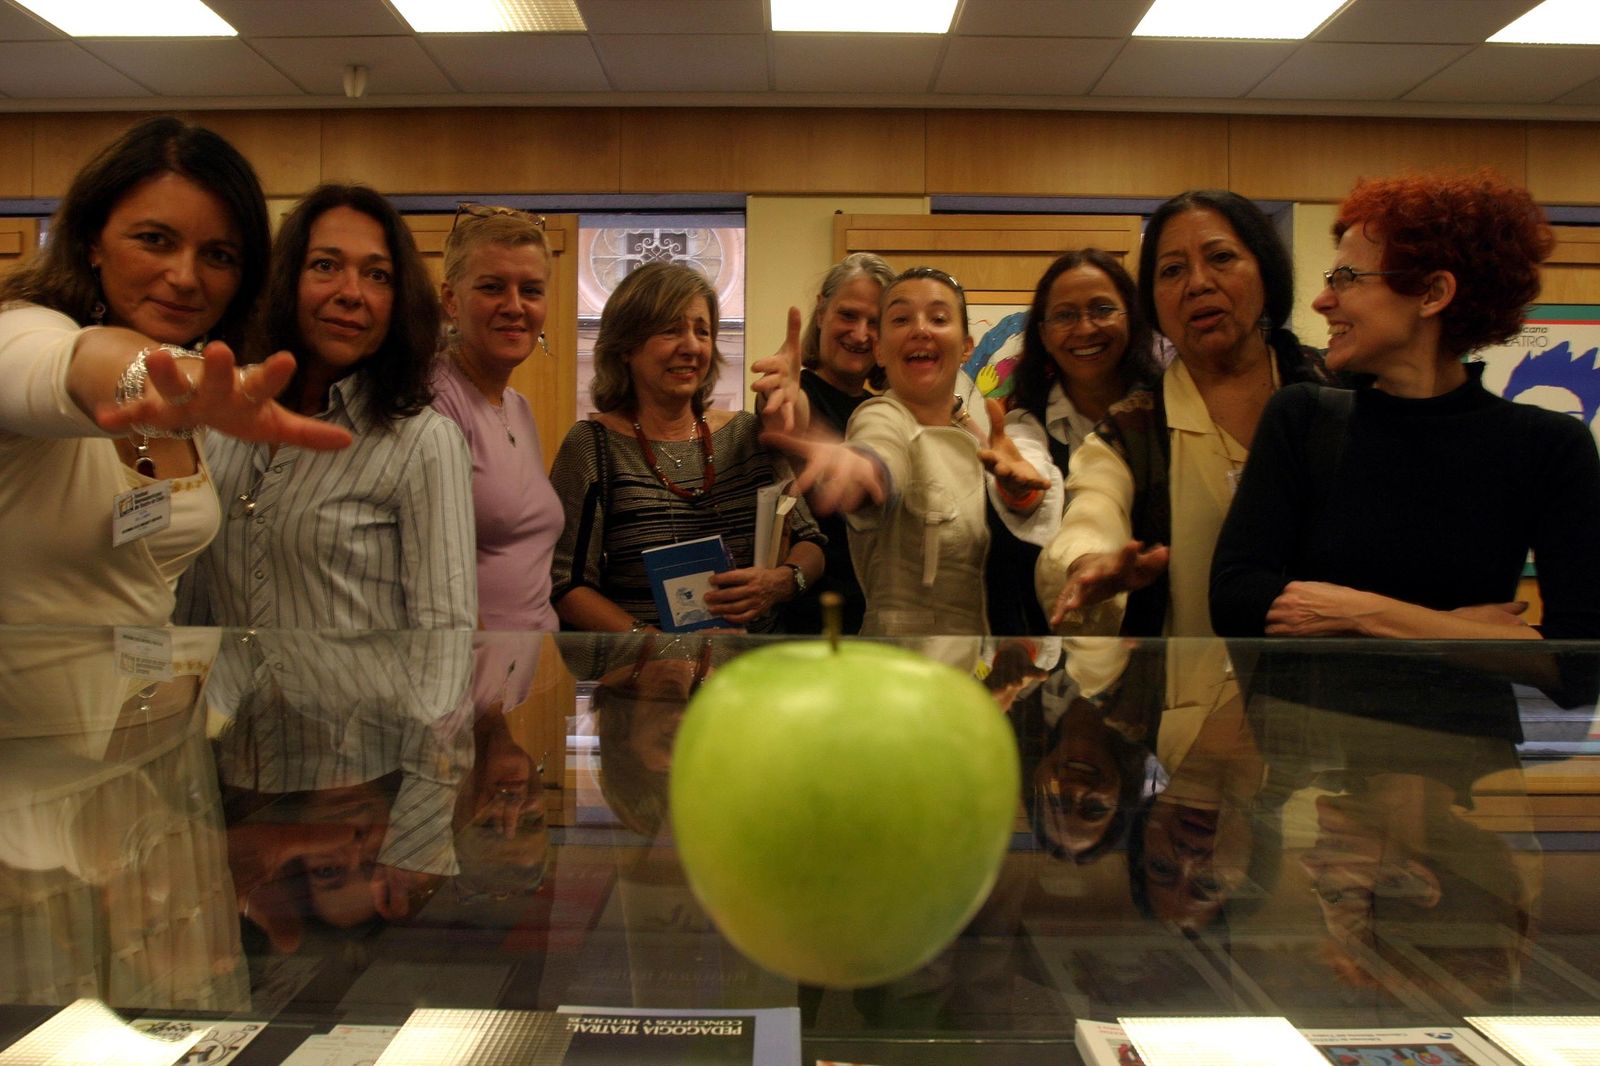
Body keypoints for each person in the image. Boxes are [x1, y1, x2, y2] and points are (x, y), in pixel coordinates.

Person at [1210, 171, 1600, 642]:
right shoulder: (1304, 417)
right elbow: (1235, 602)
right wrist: (1464, 631)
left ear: (1434, 293)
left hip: (1466, 717)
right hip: (1311, 718)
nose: (1321, 300)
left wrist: (1360, 612)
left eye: (1347, 278)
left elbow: (1578, 658)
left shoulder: (1548, 446)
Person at [0, 117, 348, 627]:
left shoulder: (202, 385)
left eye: (218, 255)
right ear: (94, 241)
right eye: (155, 240)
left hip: (153, 699)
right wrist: (155, 374)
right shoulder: (24, 329)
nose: (186, 277)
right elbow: (75, 362)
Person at [1038, 190, 1332, 638]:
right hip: (1186, 696)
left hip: (1338, 691)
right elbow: (1094, 507)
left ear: (1265, 272)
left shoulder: (1333, 390)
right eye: (1172, 270)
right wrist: (1089, 560)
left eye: (1220, 257)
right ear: (1154, 304)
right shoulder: (1131, 428)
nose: (1198, 283)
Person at [184, 184, 475, 629]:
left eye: (378, 275)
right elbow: (194, 599)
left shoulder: (423, 442)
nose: (352, 292)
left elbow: (444, 632)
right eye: (326, 266)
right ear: (286, 280)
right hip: (224, 699)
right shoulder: (222, 420)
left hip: (365, 700)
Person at [548, 262, 824, 634]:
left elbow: (811, 544)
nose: (691, 346)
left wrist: (781, 583)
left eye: (702, 331)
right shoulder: (591, 446)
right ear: (626, 346)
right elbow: (566, 585)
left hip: (751, 676)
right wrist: (658, 647)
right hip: (643, 681)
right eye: (670, 330)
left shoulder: (746, 434)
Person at [780, 266, 1052, 637]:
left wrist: (1020, 493)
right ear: (879, 349)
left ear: (966, 347)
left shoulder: (980, 431)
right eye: (901, 318)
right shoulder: (881, 415)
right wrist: (861, 468)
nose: (920, 329)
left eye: (938, 318)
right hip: (902, 668)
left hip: (987, 669)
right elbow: (879, 451)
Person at [991, 249, 1162, 634]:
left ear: (1131, 320)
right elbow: (1028, 468)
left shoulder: (1167, 415)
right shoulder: (1024, 422)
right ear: (1044, 334)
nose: (1085, 328)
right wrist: (1020, 487)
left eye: (1102, 309)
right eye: (1065, 315)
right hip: (1049, 648)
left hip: (1159, 642)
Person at [431, 204, 562, 630]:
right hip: (473, 680)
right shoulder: (433, 399)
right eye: (492, 288)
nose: (514, 306)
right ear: (451, 299)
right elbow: (432, 577)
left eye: (532, 290)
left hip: (530, 674)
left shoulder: (518, 406)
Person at [780, 251, 896, 635]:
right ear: (822, 310)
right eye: (848, 315)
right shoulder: (799, 392)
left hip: (880, 620)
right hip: (807, 620)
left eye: (875, 322)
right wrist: (786, 390)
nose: (860, 334)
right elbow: (784, 412)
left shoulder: (886, 412)